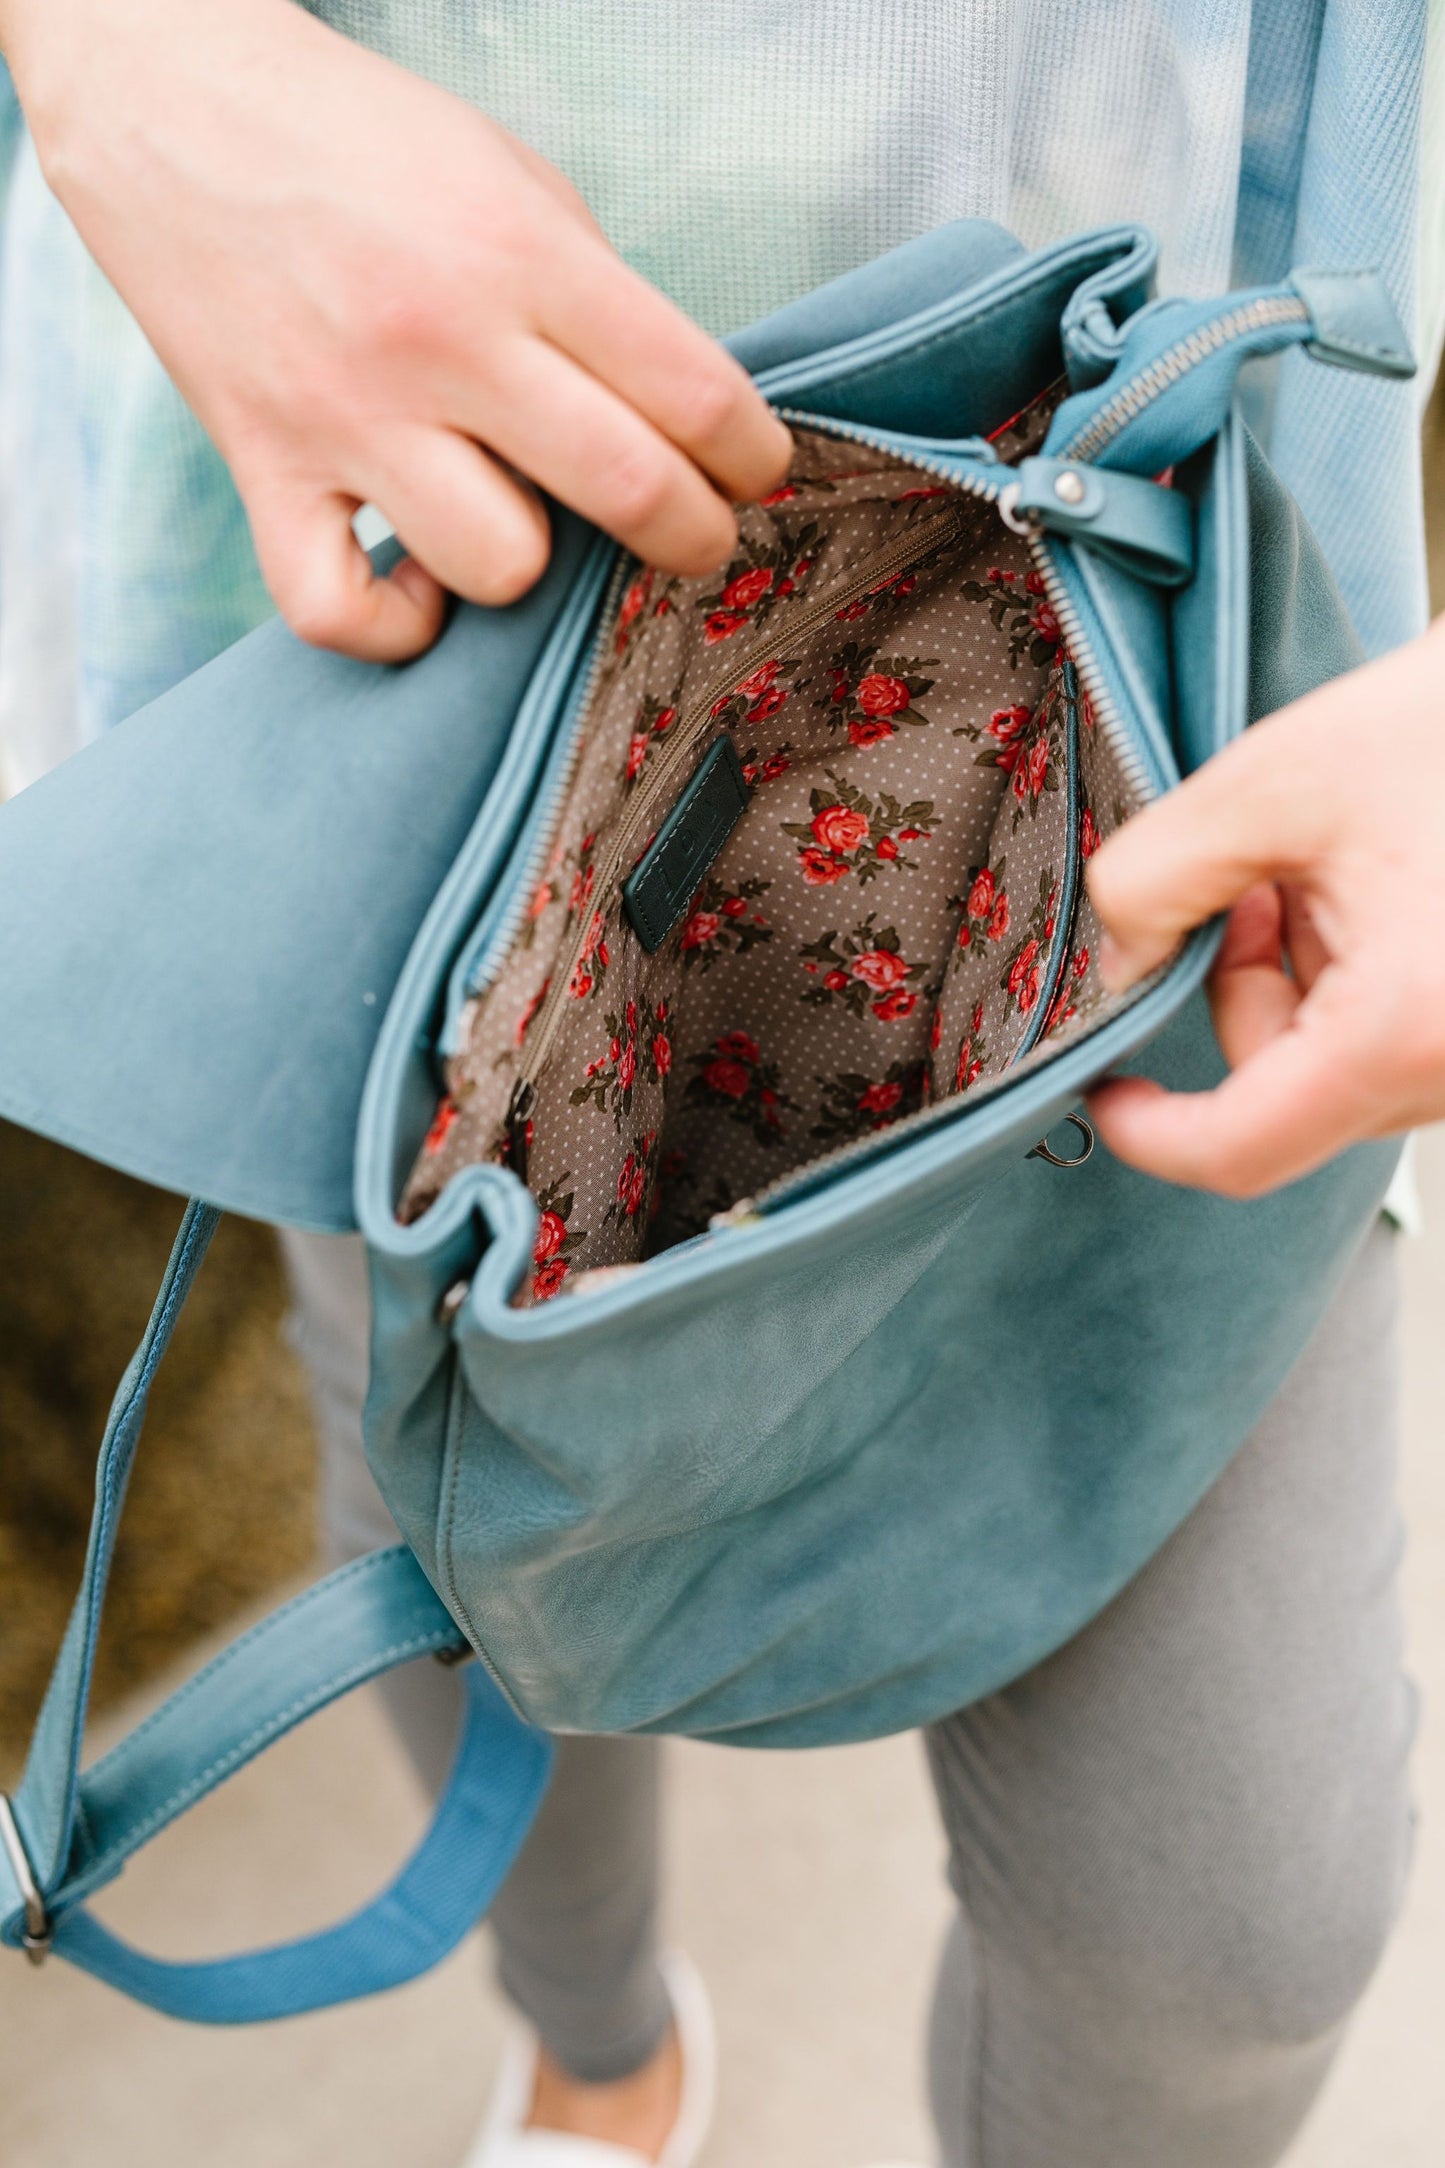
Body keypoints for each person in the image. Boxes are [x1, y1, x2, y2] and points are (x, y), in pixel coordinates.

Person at [0, 4, 1439, 2164]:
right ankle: (597, 2051)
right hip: (379, 469)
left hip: (1171, 570)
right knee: (476, 1513)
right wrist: (120, 57)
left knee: (1226, 1919)